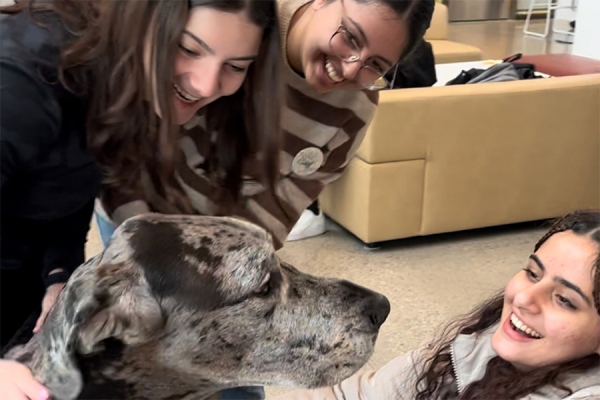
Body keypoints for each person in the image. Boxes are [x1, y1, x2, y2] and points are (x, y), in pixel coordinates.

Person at [0, 0, 282, 398]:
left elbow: (69, 183)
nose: (204, 84)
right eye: (188, 48)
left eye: (235, 66)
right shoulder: (24, 83)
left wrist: (58, 274)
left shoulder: (124, 82)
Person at [95, 0, 436, 248]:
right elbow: (130, 137)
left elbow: (279, 208)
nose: (350, 68)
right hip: (135, 212)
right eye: (350, 37)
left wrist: (219, 271)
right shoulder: (244, 25)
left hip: (213, 255)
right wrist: (143, 239)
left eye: (375, 65)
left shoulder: (354, 110)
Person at [276, 209, 600, 399]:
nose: (523, 299)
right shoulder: (482, 338)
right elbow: (370, 392)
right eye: (532, 273)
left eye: (564, 300)